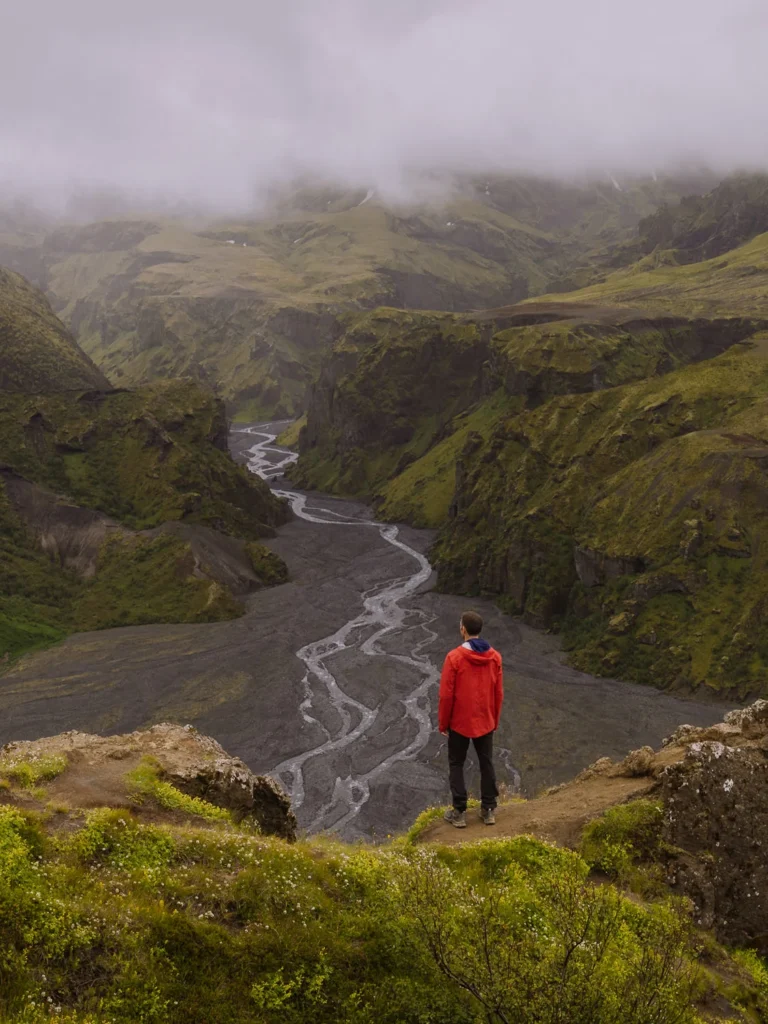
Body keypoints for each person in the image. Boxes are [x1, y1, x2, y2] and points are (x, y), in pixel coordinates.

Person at [438, 610, 503, 828]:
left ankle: (459, 812)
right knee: (486, 763)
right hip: (485, 719)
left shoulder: (454, 658)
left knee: (456, 763)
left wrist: (443, 722)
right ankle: (488, 809)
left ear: (463, 629)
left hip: (460, 722)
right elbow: (498, 692)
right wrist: (495, 719)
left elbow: (446, 694)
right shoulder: (494, 657)